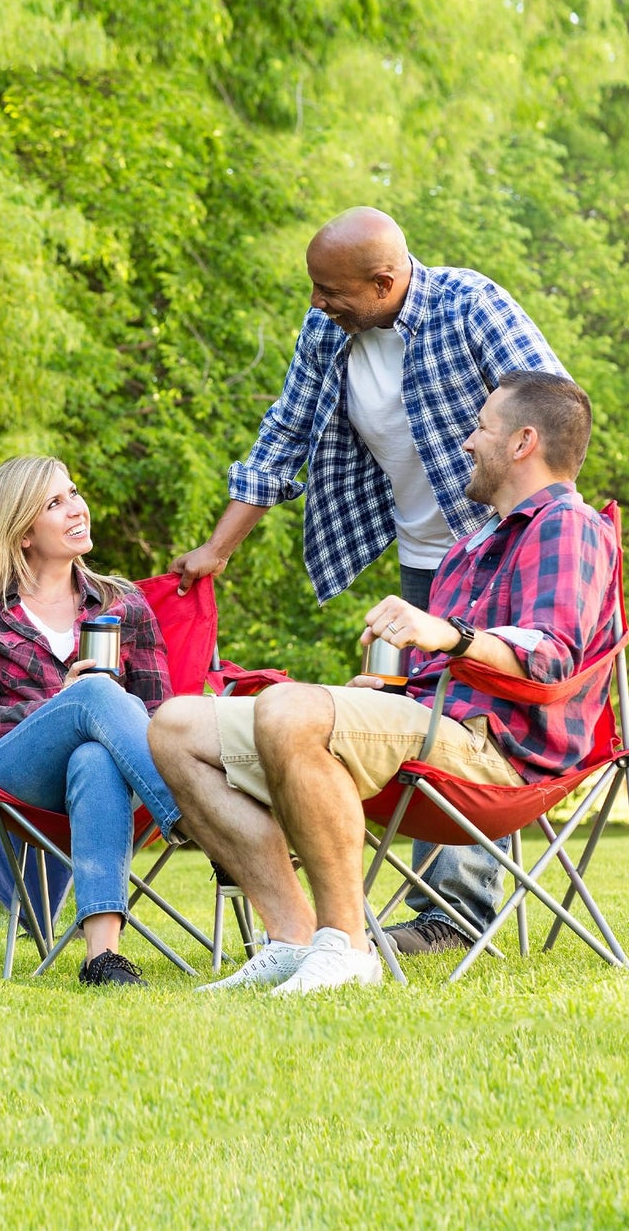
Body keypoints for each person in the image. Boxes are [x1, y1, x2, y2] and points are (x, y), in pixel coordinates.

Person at [169, 206, 570, 956]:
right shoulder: (328, 330)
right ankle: (383, 916)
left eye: (330, 290)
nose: (316, 303)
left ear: (383, 281)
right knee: (420, 722)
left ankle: (456, 914)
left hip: (497, 551)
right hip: (426, 562)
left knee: (472, 720)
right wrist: (218, 549)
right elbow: (283, 433)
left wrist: (545, 537)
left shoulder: (469, 304)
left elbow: (552, 412)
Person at [151, 372, 617, 994]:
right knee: (176, 726)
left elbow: (553, 653)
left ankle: (347, 947)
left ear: (523, 442)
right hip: (436, 729)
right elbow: (445, 675)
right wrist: (391, 694)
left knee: (291, 710)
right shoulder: (472, 544)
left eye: (481, 427)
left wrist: (447, 633)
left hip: (498, 755)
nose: (467, 443)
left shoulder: (567, 524)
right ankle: (296, 938)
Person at [0, 455, 183, 988]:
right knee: (93, 691)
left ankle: (103, 958)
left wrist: (92, 714)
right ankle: (200, 818)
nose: (78, 509)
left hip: (112, 775)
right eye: (55, 503)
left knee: (94, 755)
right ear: (22, 532)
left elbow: (160, 710)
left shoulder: (125, 604)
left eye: (74, 493)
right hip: (16, 775)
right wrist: (62, 702)